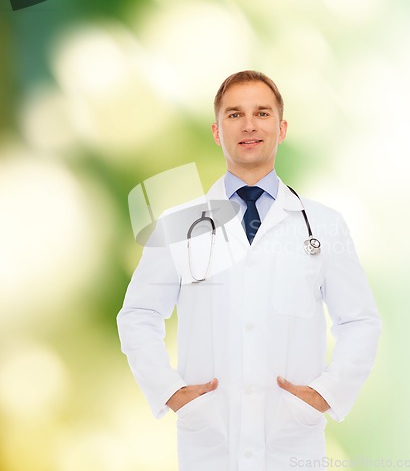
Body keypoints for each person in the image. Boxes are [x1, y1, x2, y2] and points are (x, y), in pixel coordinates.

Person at [117, 70, 382, 471]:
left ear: (282, 127)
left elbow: (360, 321)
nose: (249, 125)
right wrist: (169, 391)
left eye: (262, 113)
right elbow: (138, 314)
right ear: (216, 131)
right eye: (234, 114)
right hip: (210, 439)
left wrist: (326, 394)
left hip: (292, 438)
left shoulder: (324, 225)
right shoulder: (180, 225)